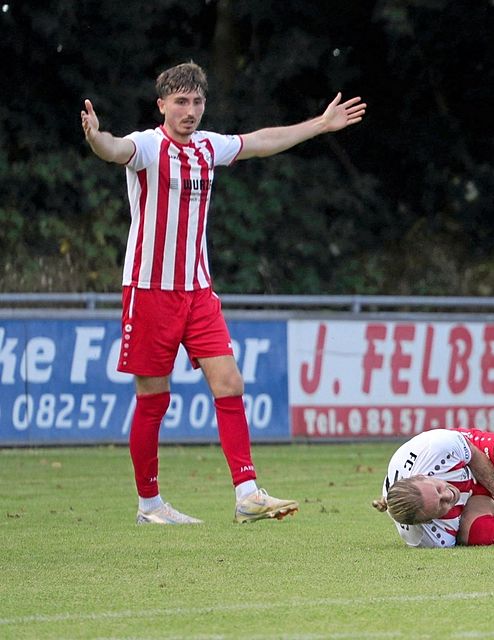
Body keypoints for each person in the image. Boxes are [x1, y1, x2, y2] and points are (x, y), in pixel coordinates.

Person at [80, 61, 366, 525]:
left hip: (198, 290)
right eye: (181, 102)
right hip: (149, 290)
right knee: (154, 397)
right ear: (163, 106)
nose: (190, 111)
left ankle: (247, 493)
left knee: (230, 382)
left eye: (196, 102)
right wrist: (95, 136)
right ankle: (149, 505)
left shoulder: (208, 147)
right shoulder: (149, 147)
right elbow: (114, 149)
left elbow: (260, 141)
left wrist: (320, 124)